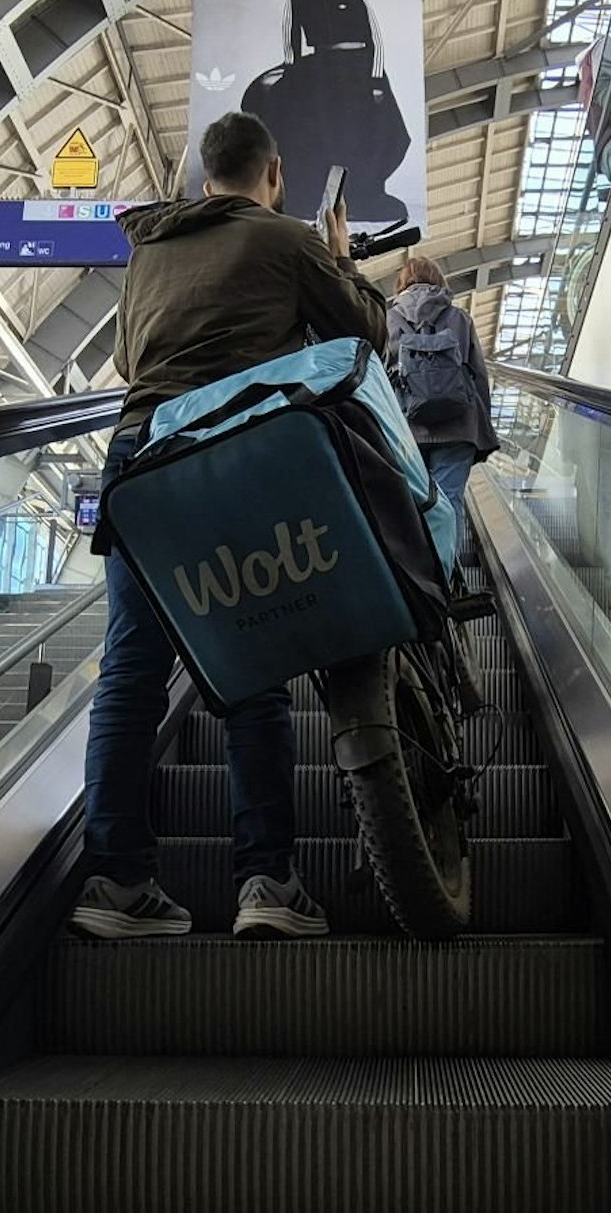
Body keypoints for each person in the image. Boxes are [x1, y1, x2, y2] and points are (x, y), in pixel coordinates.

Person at [69, 111, 388, 941]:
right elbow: (368, 330)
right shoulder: (282, 238)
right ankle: (266, 880)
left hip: (139, 458)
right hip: (227, 452)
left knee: (131, 672)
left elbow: (126, 364)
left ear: (202, 176)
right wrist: (338, 254)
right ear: (273, 173)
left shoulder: (147, 253)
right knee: (252, 660)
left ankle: (116, 879)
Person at [240, 0, 410, 223]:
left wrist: (376, 82)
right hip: (323, 71)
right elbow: (290, 36)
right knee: (315, 132)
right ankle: (303, 198)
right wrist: (293, 72)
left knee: (384, 133)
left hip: (362, 72)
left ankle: (362, 198)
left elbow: (376, 41)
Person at [386, 256, 498, 532]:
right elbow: (479, 376)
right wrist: (482, 426)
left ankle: (417, 571)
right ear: (439, 281)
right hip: (458, 426)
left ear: (401, 283)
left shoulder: (386, 319)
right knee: (449, 502)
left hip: (406, 428)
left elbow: (377, 373)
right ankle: (449, 572)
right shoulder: (460, 318)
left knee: (408, 507)